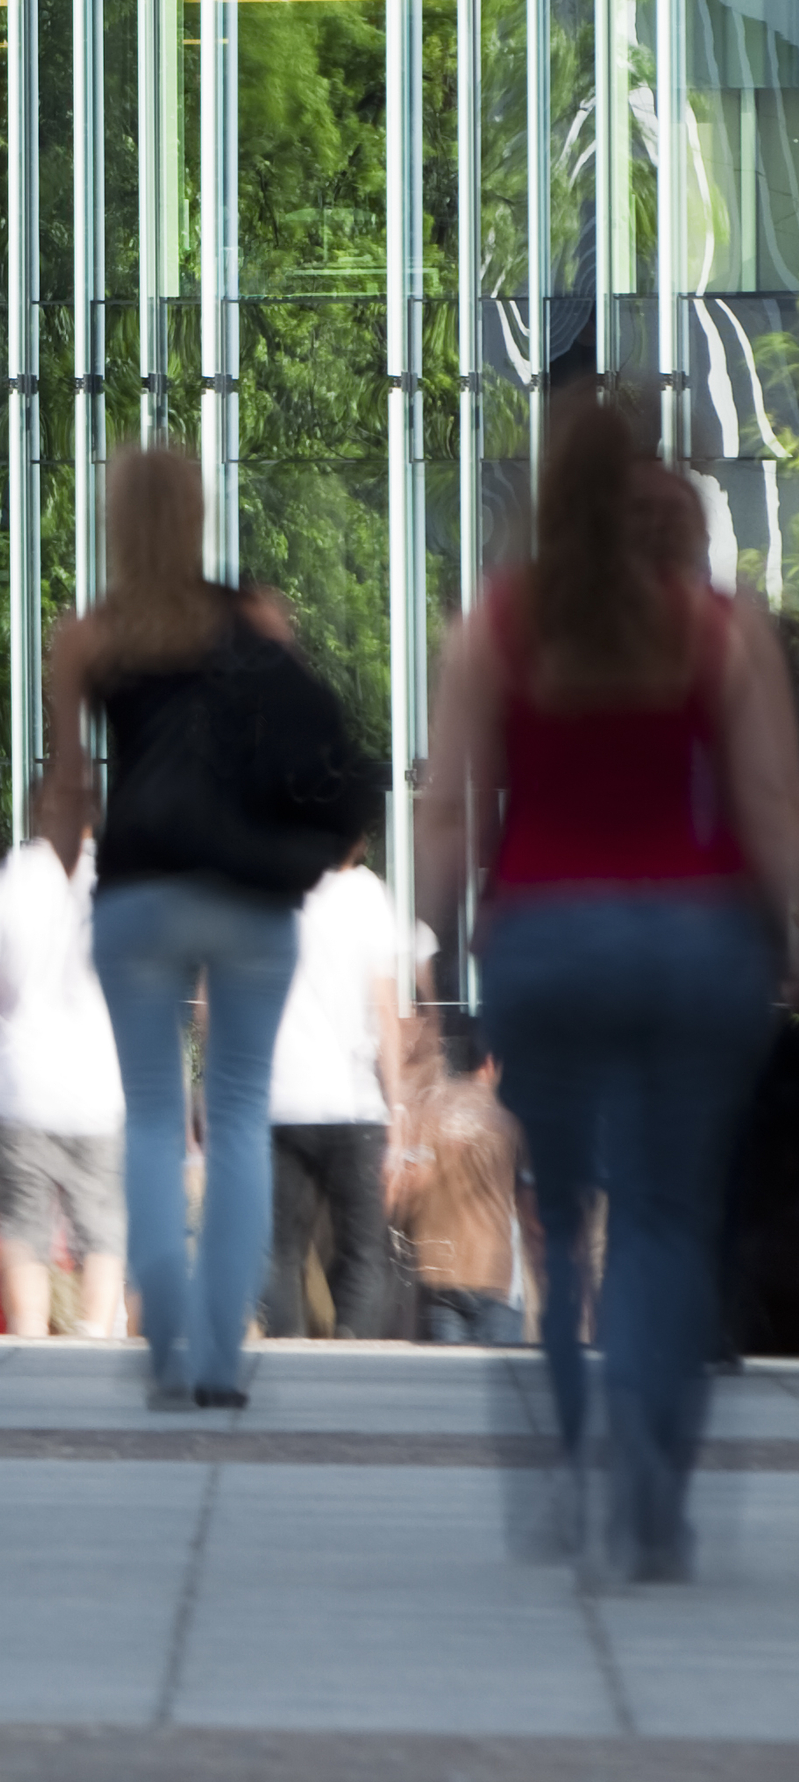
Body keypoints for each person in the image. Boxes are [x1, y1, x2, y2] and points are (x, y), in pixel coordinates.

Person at [415, 385, 799, 1580]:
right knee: (668, 1219)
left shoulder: (499, 624)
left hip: (546, 941)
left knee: (561, 1220)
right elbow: (770, 804)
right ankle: (652, 1486)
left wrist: (436, 965)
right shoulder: (715, 630)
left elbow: (446, 813)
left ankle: (568, 1437)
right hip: (693, 944)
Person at [45, 440, 364, 1414]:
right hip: (249, 896)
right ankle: (222, 1353)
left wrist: (65, 887)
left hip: (138, 894)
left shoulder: (87, 637)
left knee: (148, 1117)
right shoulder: (251, 618)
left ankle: (166, 1335)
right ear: (196, 515)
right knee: (233, 1116)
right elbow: (297, 744)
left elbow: (69, 789)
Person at [0, 826, 130, 1342]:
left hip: (21, 1089)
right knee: (102, 1227)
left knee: (23, 1227)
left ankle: (27, 1339)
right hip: (98, 1090)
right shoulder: (117, 882)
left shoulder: (1, 883)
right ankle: (96, 1334)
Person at [259, 832, 412, 1343]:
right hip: (354, 1105)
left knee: (280, 1247)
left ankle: (285, 1352)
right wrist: (399, 1106)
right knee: (366, 1251)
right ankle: (352, 1352)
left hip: (280, 1100)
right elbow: (385, 1010)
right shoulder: (367, 895)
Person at [390, 1003, 525, 1349]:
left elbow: (411, 1184)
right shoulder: (510, 1117)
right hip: (494, 1275)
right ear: (492, 1061)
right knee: (503, 1388)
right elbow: (532, 1202)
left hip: (439, 1273)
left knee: (448, 1379)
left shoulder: (428, 1111)